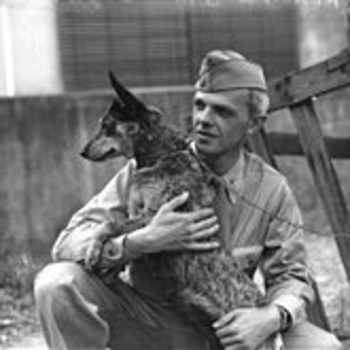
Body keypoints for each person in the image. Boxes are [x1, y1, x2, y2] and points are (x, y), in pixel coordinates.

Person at [34, 50, 342, 350]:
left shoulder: (272, 189)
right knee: (56, 283)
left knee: (323, 346)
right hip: (154, 325)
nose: (204, 120)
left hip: (225, 327)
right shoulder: (145, 173)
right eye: (200, 106)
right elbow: (67, 244)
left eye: (222, 111)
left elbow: (291, 277)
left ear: (254, 124)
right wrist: (140, 241)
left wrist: (269, 318)